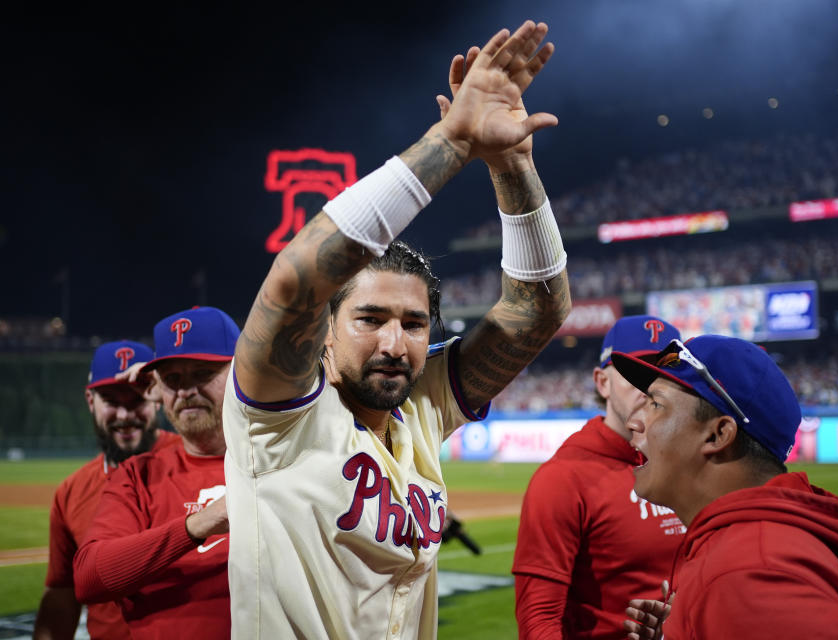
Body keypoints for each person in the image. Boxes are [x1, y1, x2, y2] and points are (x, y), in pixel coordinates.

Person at [223, 20, 570, 639]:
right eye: (369, 318)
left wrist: (512, 166)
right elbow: (295, 280)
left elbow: (538, 310)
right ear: (325, 331)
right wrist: (452, 139)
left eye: (413, 324)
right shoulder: (277, 413)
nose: (393, 343)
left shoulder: (422, 405)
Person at [612, 336, 838, 639]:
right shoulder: (767, 551)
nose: (633, 422)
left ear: (718, 434)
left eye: (657, 404)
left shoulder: (754, 574)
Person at [512, 315, 684, 639]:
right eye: (637, 373)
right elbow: (539, 620)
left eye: (666, 374)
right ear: (602, 382)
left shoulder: (689, 466)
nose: (652, 387)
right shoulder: (563, 479)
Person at [73, 307, 237, 639]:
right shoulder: (138, 476)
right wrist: (202, 523)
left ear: (241, 374)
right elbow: (89, 577)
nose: (185, 390)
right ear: (158, 391)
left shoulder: (277, 460)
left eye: (202, 374)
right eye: (173, 379)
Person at [34, 341, 179, 640]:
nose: (125, 415)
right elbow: (62, 595)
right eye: (111, 400)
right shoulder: (71, 492)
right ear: (90, 401)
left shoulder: (195, 460)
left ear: (155, 398)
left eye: (136, 399)